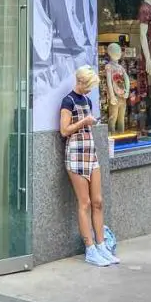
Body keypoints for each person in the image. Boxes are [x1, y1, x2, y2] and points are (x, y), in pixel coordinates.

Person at [59, 66, 118, 267]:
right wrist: (84, 121)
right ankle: (90, 248)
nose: (90, 90)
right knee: (84, 202)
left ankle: (101, 245)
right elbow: (64, 130)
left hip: (90, 152)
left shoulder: (87, 100)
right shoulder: (69, 101)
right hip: (75, 154)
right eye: (89, 86)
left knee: (98, 201)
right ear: (82, 82)